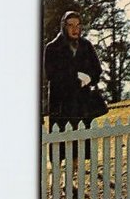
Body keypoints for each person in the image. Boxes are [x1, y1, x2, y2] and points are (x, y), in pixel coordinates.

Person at [44, 10, 104, 162]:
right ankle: (59, 180)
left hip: (81, 104)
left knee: (80, 145)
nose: (74, 29)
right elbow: (51, 74)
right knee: (60, 145)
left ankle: (74, 179)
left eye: (77, 25)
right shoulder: (52, 48)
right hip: (61, 104)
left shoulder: (86, 45)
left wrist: (88, 77)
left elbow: (97, 69)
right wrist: (75, 76)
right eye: (70, 25)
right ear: (64, 26)